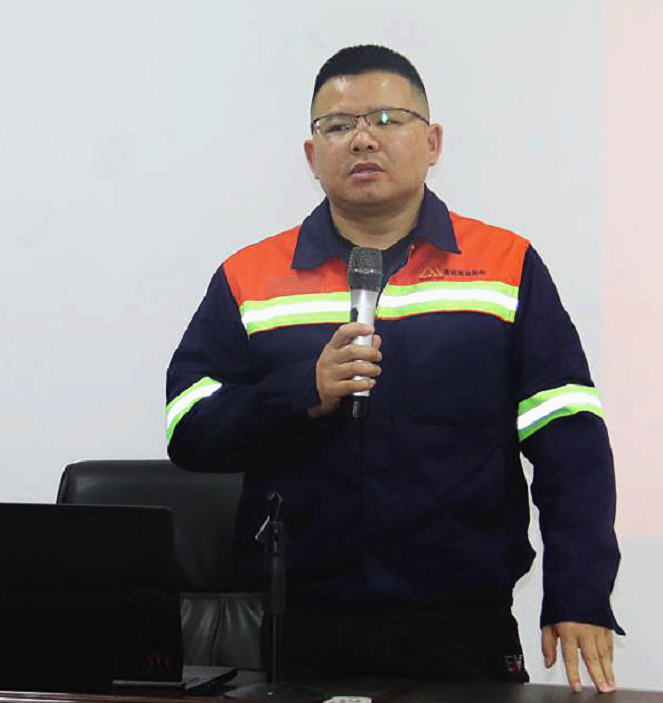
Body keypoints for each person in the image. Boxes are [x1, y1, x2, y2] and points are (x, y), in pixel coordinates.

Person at [165, 45, 622, 691]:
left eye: (386, 119)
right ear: (311, 155)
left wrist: (579, 589)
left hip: (462, 622)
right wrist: (301, 391)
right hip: (303, 623)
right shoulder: (252, 277)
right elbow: (188, 424)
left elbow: (569, 438)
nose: (362, 140)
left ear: (432, 142)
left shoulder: (504, 265)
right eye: (338, 125)